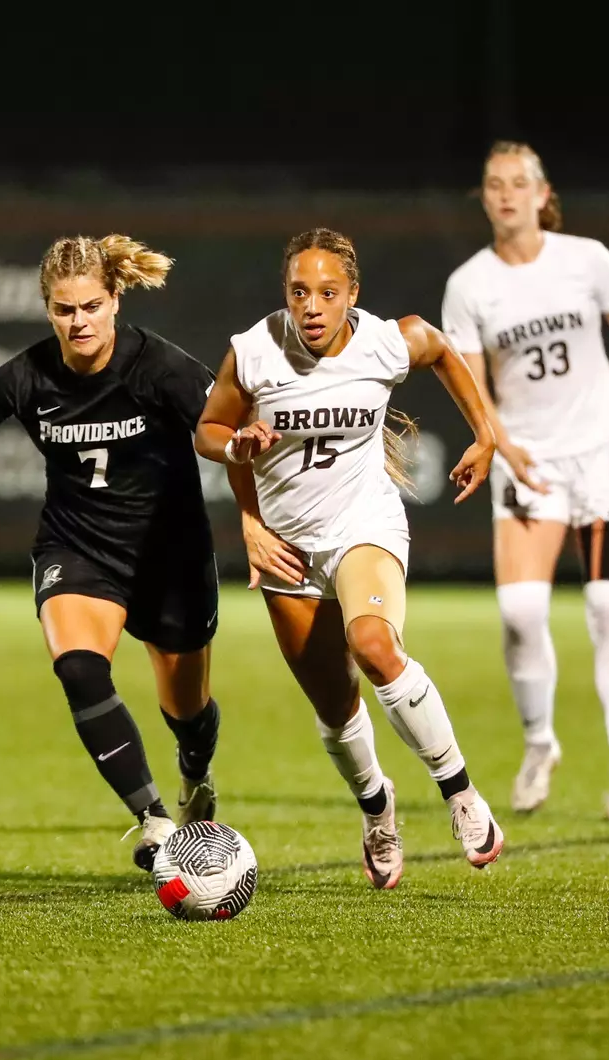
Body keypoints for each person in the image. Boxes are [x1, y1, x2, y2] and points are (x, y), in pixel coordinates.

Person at [195, 227, 514, 890]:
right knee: (335, 704)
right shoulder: (253, 353)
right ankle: (376, 808)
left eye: (326, 292)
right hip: (286, 547)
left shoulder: (384, 341)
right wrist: (242, 480)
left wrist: (486, 437)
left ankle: (459, 793)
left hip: (362, 527)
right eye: (298, 292)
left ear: (352, 296)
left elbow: (440, 349)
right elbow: (208, 430)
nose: (311, 306)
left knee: (372, 645)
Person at [0, 233, 223, 870]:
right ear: (48, 308)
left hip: (171, 556)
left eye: (90, 306)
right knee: (79, 669)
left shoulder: (160, 367)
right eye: (63, 309)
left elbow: (223, 430)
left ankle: (195, 778)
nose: (77, 321)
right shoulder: (27, 375)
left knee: (186, 712)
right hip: (78, 548)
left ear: (115, 300)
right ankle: (155, 823)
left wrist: (261, 516)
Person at [441, 140, 609, 825]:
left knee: (607, 605)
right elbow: (471, 384)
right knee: (520, 613)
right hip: (529, 459)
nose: (504, 194)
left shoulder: (585, 259)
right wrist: (498, 443)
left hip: (598, 454)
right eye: (493, 183)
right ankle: (539, 743)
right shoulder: (469, 284)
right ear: (484, 198)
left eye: (517, 183)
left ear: (541, 193)